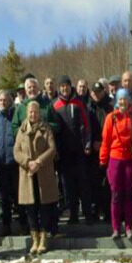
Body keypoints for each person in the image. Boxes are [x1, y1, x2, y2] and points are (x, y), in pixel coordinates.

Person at [14, 101, 59, 255]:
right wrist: (28, 163)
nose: (33, 114)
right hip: (27, 175)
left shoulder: (45, 128)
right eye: (30, 112)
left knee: (44, 207)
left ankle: (43, 239)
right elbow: (16, 151)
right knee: (31, 209)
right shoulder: (22, 129)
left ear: (39, 113)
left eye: (35, 112)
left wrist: (39, 162)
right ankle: (34, 239)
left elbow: (52, 149)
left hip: (43, 173)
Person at [53, 74, 94, 224]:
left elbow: (86, 125)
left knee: (83, 182)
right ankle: (73, 214)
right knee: (68, 185)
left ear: (71, 87)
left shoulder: (78, 103)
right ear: (59, 88)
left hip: (79, 151)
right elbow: (53, 131)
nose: (65, 89)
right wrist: (55, 150)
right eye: (62, 86)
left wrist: (88, 144)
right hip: (64, 153)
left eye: (67, 86)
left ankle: (88, 213)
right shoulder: (55, 105)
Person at [100, 89, 132, 238]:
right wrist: (103, 160)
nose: (123, 102)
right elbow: (106, 140)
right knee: (116, 195)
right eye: (120, 99)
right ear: (117, 101)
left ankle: (128, 227)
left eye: (125, 99)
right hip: (115, 159)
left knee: (129, 194)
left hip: (130, 159)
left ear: (129, 101)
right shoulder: (111, 118)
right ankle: (116, 227)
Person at [0, 89, 25, 236]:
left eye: (6, 100)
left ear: (11, 101)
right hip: (0, 163)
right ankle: (6, 225)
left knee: (18, 195)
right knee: (3, 197)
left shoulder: (15, 117)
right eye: (1, 100)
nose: (3, 103)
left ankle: (23, 224)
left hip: (15, 162)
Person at [86, 82, 114, 222]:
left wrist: (104, 144)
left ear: (104, 92)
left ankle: (108, 212)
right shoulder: (88, 107)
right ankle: (96, 211)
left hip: (108, 149)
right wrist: (92, 143)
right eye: (94, 92)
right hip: (93, 151)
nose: (96, 94)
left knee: (108, 183)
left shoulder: (110, 107)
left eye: (99, 91)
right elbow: (84, 128)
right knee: (94, 183)